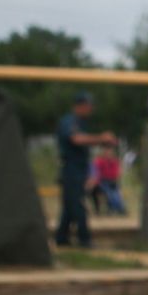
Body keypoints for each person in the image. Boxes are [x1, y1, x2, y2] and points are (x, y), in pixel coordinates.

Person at [53, 92, 116, 248]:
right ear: (79, 106)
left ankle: (61, 237)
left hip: (79, 167)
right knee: (77, 204)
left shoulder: (80, 122)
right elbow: (76, 139)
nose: (90, 109)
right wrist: (101, 138)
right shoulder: (70, 121)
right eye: (88, 106)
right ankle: (84, 239)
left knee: (70, 205)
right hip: (71, 168)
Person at [91, 146, 126, 215]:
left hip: (112, 182)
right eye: (107, 153)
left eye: (110, 153)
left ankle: (119, 209)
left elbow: (117, 173)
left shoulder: (114, 162)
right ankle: (117, 209)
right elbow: (96, 173)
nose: (109, 154)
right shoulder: (99, 161)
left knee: (116, 194)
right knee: (109, 193)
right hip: (102, 182)